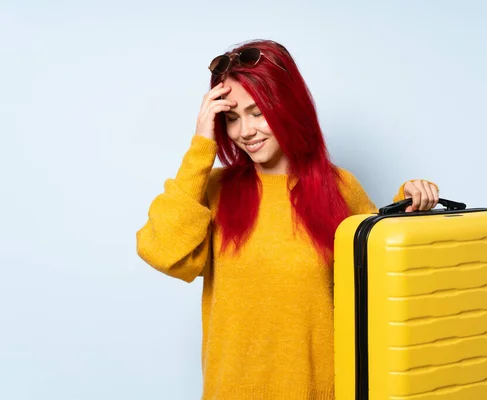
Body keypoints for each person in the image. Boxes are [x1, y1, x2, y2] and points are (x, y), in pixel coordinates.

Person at [136, 39, 440, 400]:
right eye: (231, 119)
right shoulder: (213, 190)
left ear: (287, 106)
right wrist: (201, 146)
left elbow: (382, 281)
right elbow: (161, 251)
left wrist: (407, 208)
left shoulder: (341, 188)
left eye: (257, 112)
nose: (244, 131)